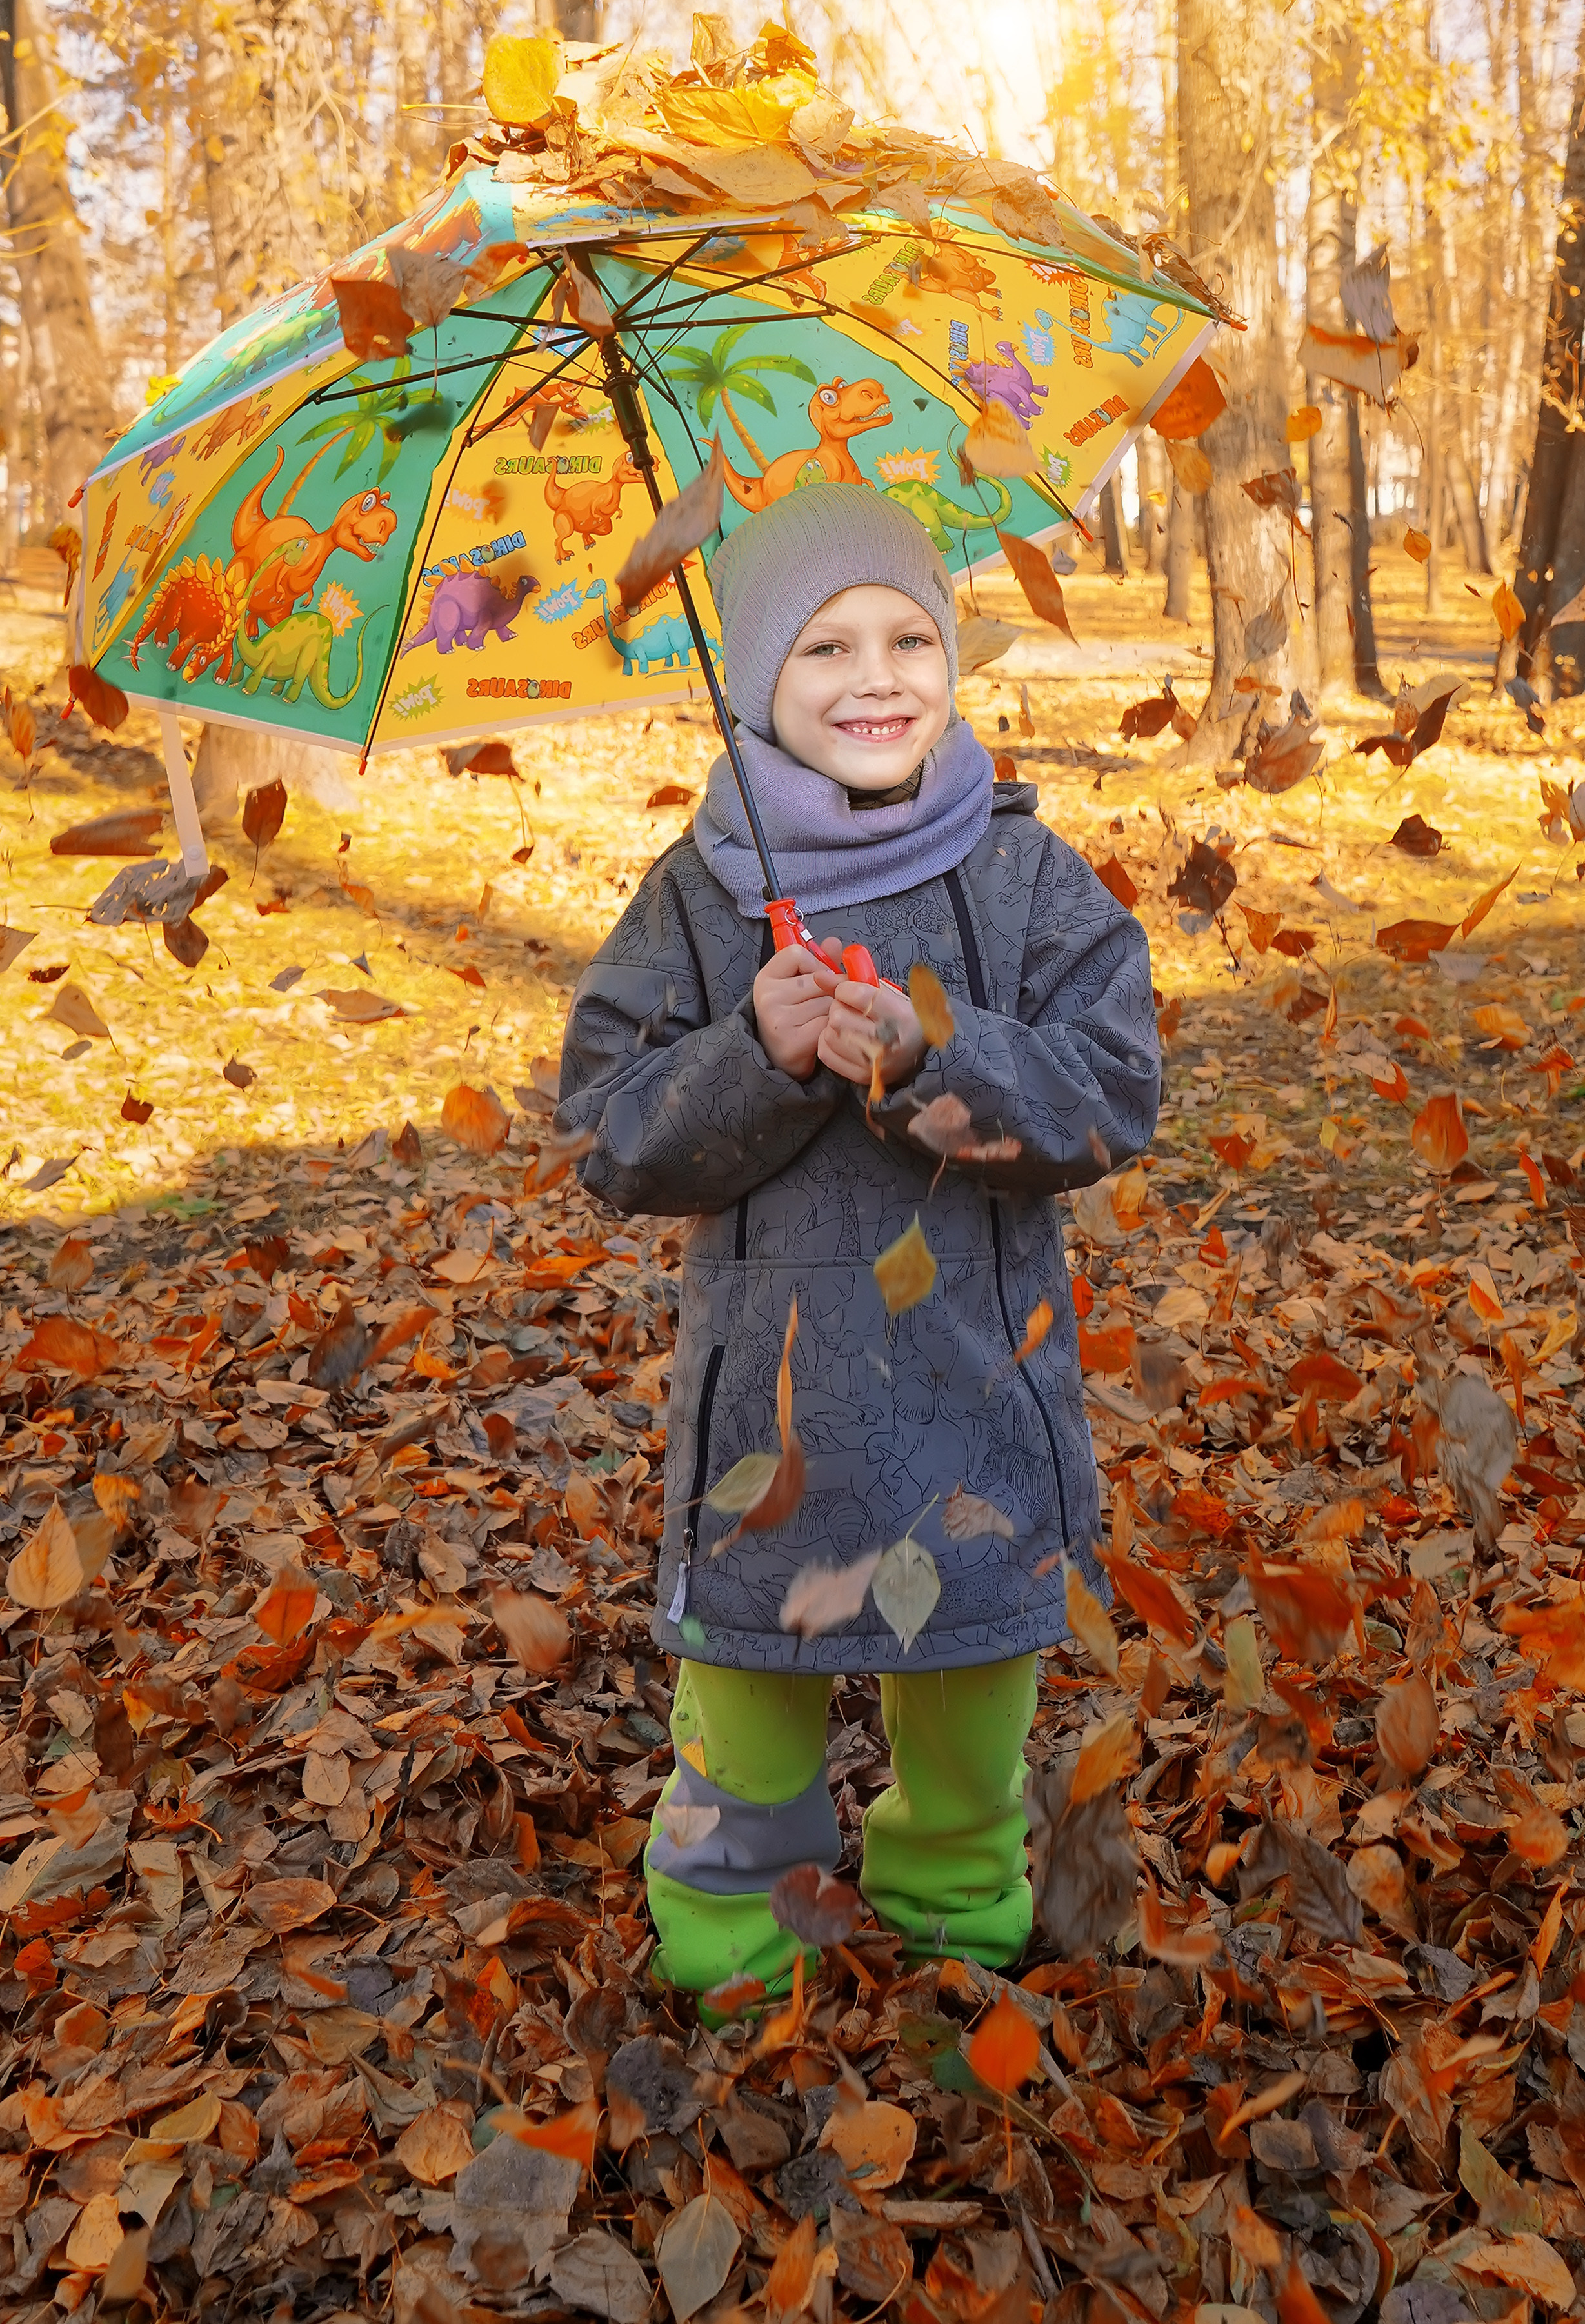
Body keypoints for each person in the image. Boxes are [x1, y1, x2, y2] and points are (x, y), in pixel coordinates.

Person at [555, 483, 1158, 1999]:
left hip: (976, 1414)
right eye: (823, 647)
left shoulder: (1026, 877)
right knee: (738, 1768)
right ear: (757, 677)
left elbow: (1112, 1094)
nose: (875, 676)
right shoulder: (703, 896)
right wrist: (751, 1048)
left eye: (908, 636)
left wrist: (928, 1051)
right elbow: (606, 1135)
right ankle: (733, 1989)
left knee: (965, 1760)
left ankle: (964, 1975)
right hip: (772, 1424)